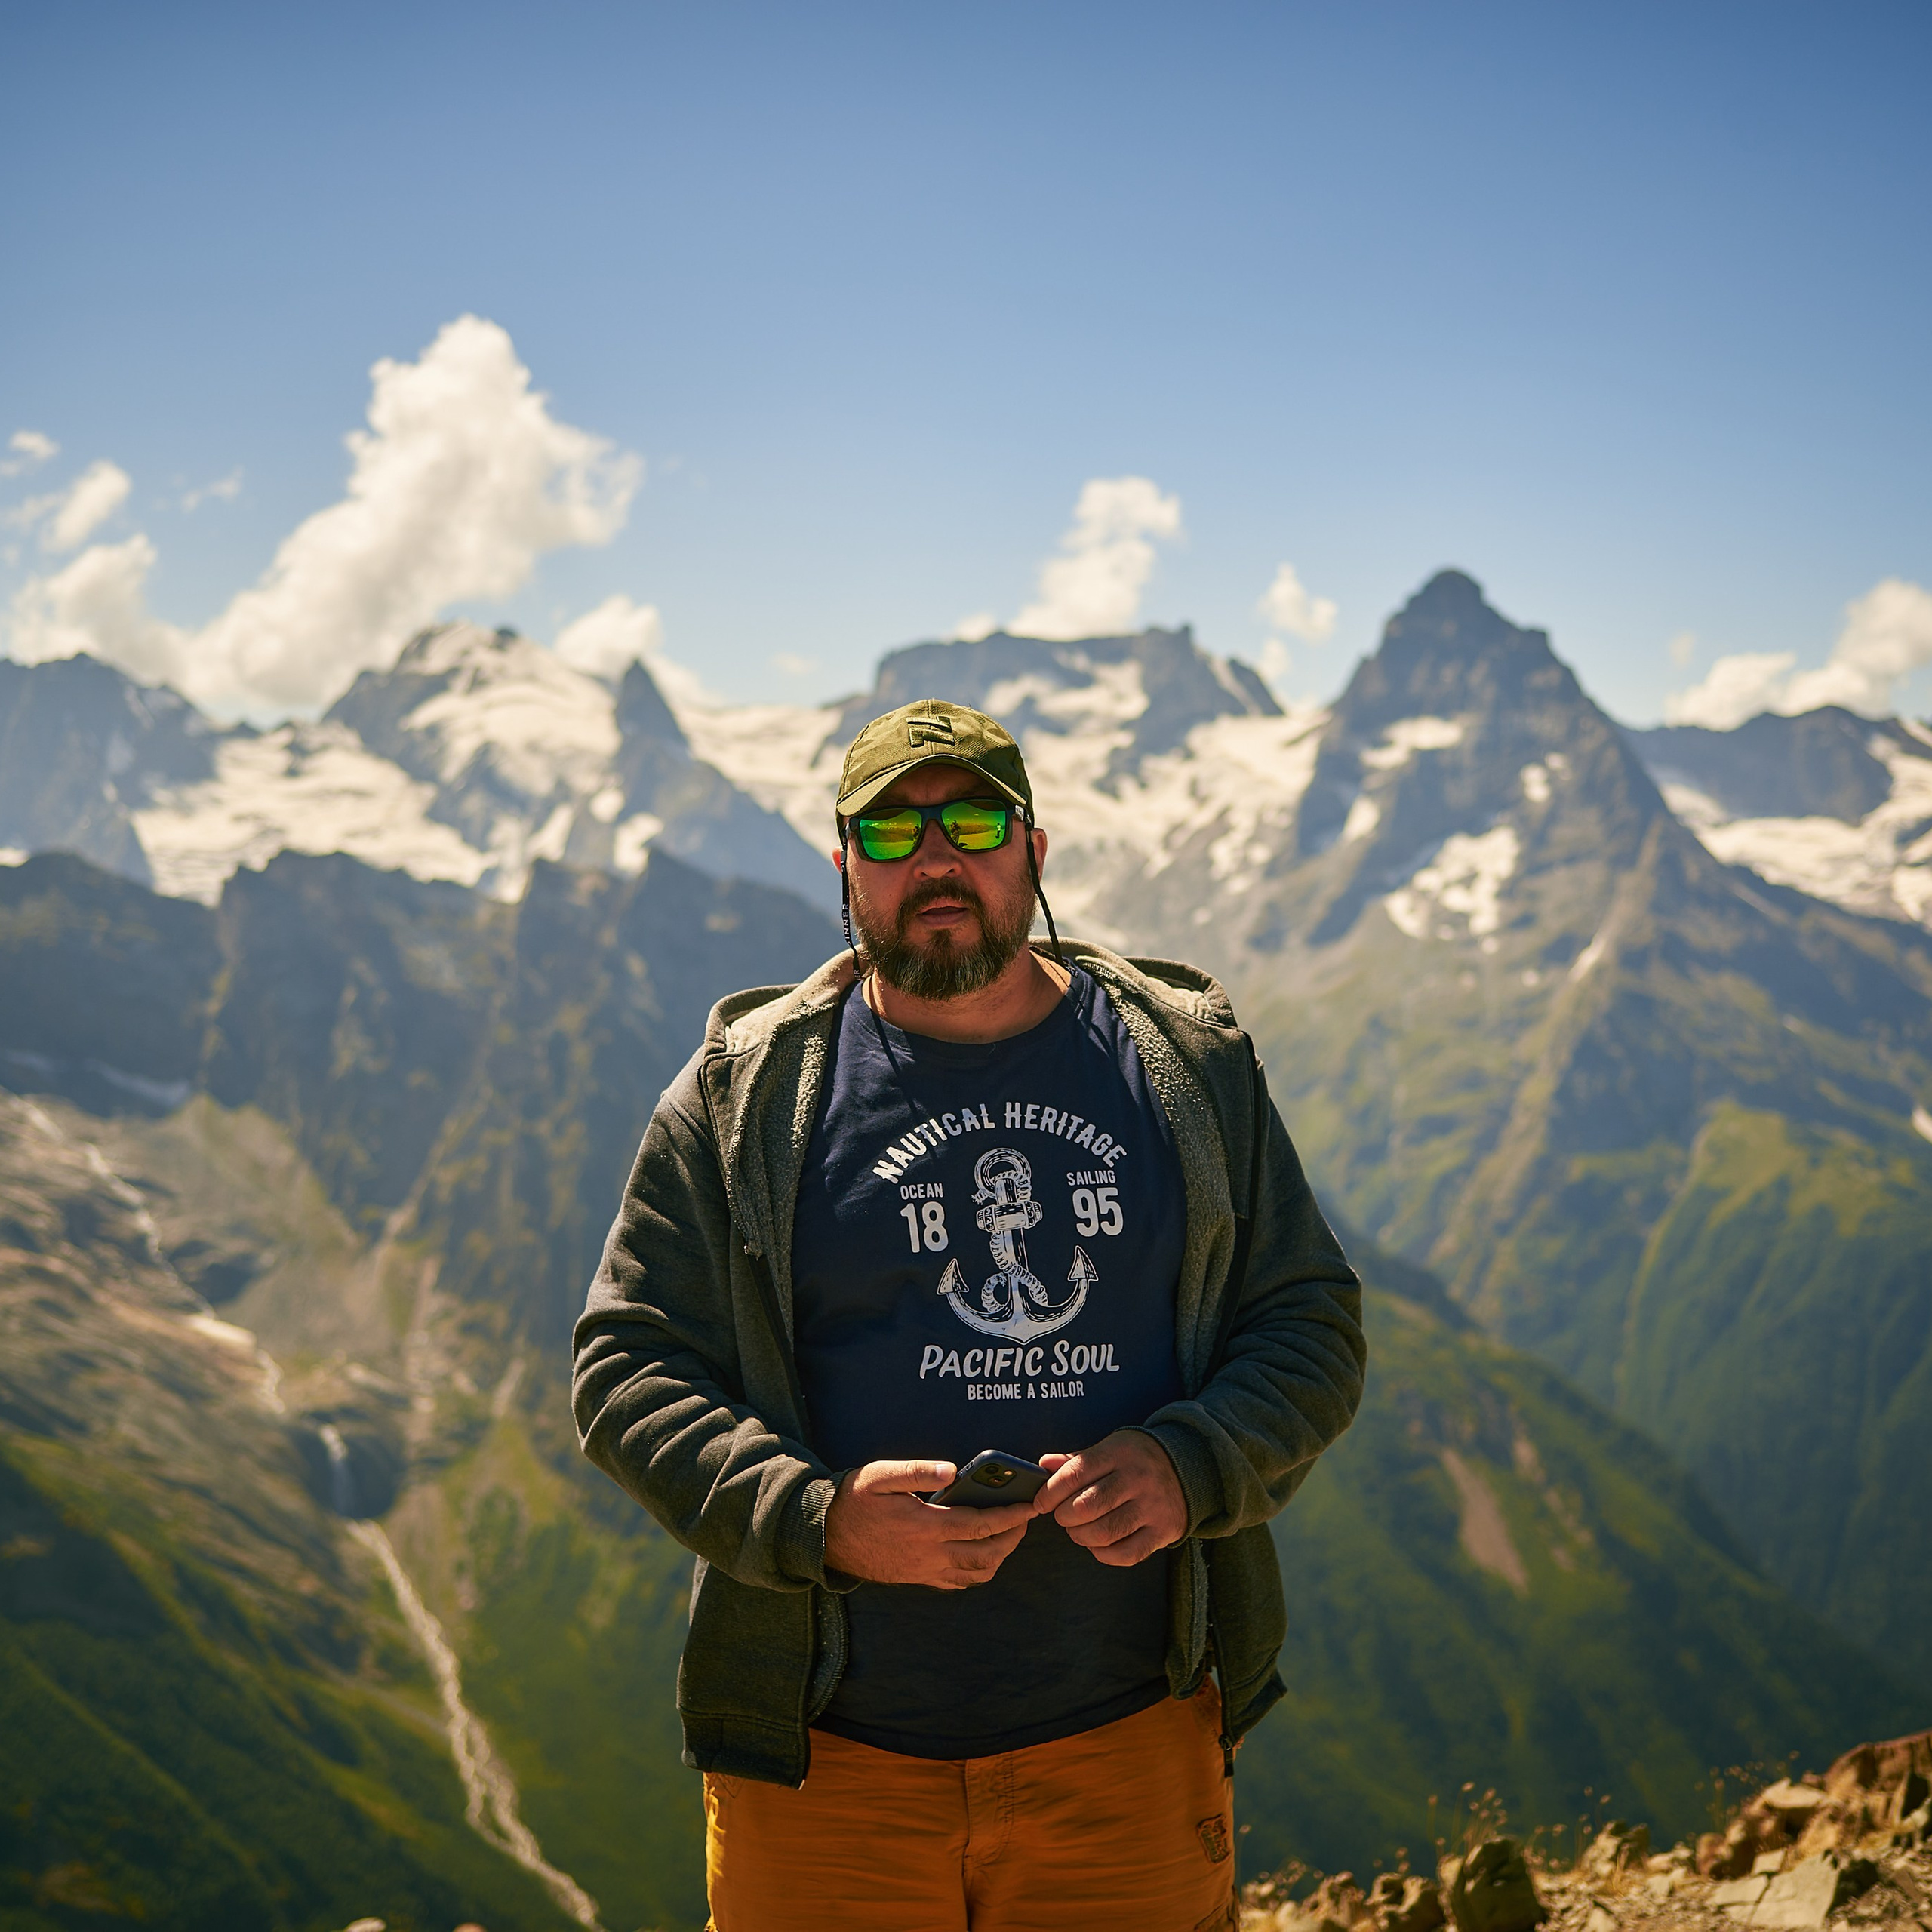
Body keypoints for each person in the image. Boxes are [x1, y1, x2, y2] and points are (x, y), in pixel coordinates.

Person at [573, 698, 1366, 1932]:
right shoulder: (743, 1096)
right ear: (845, 870)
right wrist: (820, 1519)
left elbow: (1310, 1322)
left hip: (1131, 1739)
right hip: (828, 1763)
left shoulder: (1187, 1067)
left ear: (1034, 851)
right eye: (892, 834)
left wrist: (1193, 1463)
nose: (936, 860)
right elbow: (627, 1369)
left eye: (975, 825)